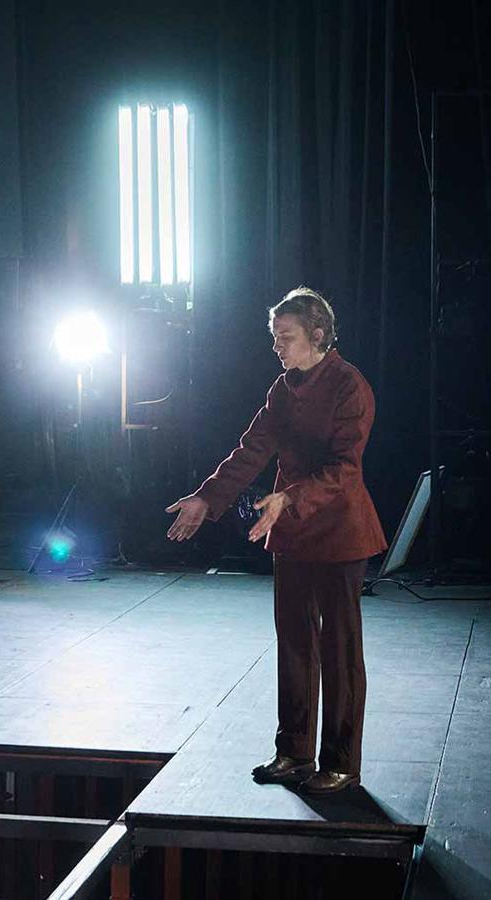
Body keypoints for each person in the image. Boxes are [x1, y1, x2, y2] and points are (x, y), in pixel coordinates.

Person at [166, 287, 387, 794]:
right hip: (291, 531)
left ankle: (341, 763)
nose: (277, 347)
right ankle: (294, 752)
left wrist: (288, 498)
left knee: (340, 650)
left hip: (340, 531)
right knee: (294, 644)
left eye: (285, 337)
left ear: (317, 334)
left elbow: (344, 470)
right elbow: (251, 450)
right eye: (274, 338)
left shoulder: (350, 386)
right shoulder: (282, 389)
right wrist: (207, 498)